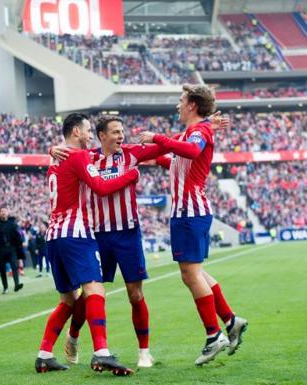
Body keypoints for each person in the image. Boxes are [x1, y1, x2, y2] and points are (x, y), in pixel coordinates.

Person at [49, 114, 176, 368]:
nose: (121, 136)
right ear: (102, 136)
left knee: (135, 293)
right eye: (116, 132)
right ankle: (73, 337)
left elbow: (163, 147)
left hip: (128, 233)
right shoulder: (88, 156)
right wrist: (51, 149)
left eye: (122, 132)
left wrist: (160, 142)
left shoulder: (130, 154)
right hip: (98, 235)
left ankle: (143, 352)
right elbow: (64, 155)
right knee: (89, 292)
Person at [138, 84, 247, 366]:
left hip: (190, 211)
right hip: (187, 211)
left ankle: (214, 335)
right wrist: (150, 156)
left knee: (190, 275)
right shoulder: (192, 132)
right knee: (195, 272)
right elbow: (178, 161)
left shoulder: (198, 133)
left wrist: (158, 139)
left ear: (192, 105)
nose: (177, 105)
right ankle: (230, 321)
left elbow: (192, 151)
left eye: (181, 100)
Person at [35, 113, 139, 375]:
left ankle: (44, 354)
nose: (91, 135)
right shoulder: (78, 156)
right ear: (76, 132)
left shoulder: (56, 156)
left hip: (54, 235)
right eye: (88, 131)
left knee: (68, 300)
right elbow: (101, 187)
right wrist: (131, 175)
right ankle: (102, 352)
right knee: (95, 289)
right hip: (76, 233)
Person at [0, 206, 24, 294]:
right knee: (2, 269)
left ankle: (16, 285)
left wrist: (21, 242)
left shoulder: (12, 223)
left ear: (8, 212)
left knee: (14, 265)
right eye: (2, 211)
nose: (3, 213)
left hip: (11, 248)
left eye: (5, 211)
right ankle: (5, 287)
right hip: (0, 248)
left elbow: (18, 234)